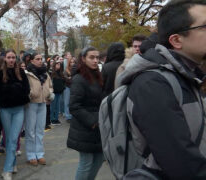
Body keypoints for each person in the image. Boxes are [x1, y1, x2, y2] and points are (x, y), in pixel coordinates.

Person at [119, 0, 206, 179]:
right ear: (176, 40)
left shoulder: (189, 75)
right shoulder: (152, 83)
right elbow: (182, 164)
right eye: (205, 26)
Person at [67, 47, 104, 180]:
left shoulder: (97, 75)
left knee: (99, 159)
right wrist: (93, 122)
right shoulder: (79, 78)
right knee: (86, 162)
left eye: (97, 57)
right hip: (86, 127)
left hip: (98, 127)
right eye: (91, 57)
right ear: (83, 59)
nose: (95, 60)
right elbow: (74, 106)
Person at [0, 49, 30, 180]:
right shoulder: (0, 73)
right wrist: (16, 88)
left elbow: (26, 89)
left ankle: (7, 170)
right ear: (5, 58)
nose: (11, 60)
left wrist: (12, 89)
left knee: (13, 139)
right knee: (9, 139)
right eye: (9, 57)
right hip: (5, 110)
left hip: (19, 109)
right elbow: (0, 92)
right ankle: (12, 164)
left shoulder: (21, 72)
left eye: (13, 57)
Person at [25, 53, 54, 166]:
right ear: (32, 61)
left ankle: (40, 154)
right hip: (31, 104)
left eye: (41, 59)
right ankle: (31, 155)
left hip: (43, 103)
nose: (40, 61)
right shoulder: (27, 73)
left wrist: (50, 94)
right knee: (30, 131)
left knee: (40, 130)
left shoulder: (45, 73)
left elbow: (50, 86)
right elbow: (25, 88)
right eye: (37, 59)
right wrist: (31, 94)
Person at [50, 61, 65, 125]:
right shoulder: (51, 73)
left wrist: (62, 88)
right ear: (54, 65)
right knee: (53, 106)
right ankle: (52, 119)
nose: (58, 65)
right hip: (53, 92)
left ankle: (56, 118)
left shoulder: (61, 73)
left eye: (59, 64)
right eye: (57, 64)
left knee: (57, 107)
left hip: (59, 92)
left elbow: (63, 82)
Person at [63, 57, 75, 122]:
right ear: (69, 63)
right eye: (71, 62)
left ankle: (73, 115)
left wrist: (70, 78)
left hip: (74, 87)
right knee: (67, 102)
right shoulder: (66, 70)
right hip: (67, 87)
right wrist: (69, 78)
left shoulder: (76, 70)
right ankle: (68, 117)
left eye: (73, 62)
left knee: (73, 102)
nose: (72, 63)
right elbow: (65, 78)